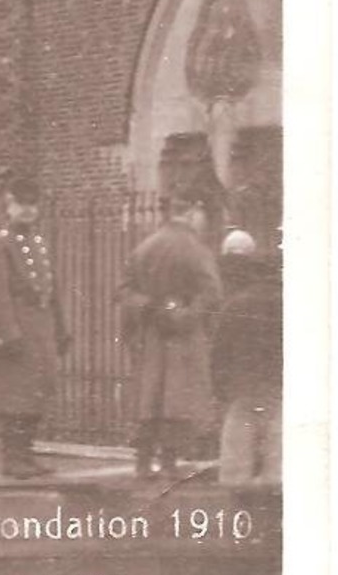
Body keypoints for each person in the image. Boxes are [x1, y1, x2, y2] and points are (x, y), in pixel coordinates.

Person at [116, 186, 222, 479]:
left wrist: (148, 306)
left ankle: (142, 462)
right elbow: (212, 293)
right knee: (176, 399)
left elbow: (124, 291)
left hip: (151, 334)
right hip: (183, 336)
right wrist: (187, 315)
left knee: (149, 398)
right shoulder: (197, 249)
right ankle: (169, 462)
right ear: (191, 212)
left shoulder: (144, 247)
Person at [0, 176, 71, 479]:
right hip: (16, 332)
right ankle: (12, 458)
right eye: (21, 204)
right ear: (9, 206)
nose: (27, 210)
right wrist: (9, 333)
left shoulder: (39, 244)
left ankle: (26, 454)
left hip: (40, 331)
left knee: (34, 394)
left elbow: (52, 292)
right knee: (13, 397)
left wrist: (61, 329)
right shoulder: (0, 244)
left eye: (32, 204)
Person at [212, 237, 281, 486]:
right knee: (277, 450)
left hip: (242, 388)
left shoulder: (236, 304)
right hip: (276, 386)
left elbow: (220, 352)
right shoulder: (286, 303)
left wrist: (220, 388)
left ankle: (239, 489)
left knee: (237, 458)